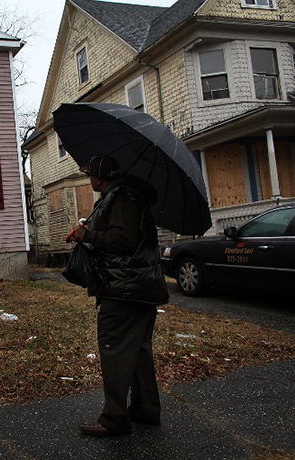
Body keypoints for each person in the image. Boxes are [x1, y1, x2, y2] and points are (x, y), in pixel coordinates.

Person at [66, 155, 168, 437]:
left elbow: (124, 241)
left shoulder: (121, 198)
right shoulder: (124, 196)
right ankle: (145, 409)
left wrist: (89, 237)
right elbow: (122, 233)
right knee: (137, 352)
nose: (89, 178)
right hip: (139, 287)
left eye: (90, 175)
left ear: (98, 178)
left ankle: (114, 418)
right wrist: (87, 230)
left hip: (125, 290)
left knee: (113, 350)